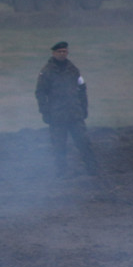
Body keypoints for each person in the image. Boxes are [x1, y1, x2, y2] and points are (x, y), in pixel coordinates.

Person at [35, 41, 98, 175]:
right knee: (59, 145)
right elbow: (40, 93)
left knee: (83, 142)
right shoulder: (46, 72)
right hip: (56, 116)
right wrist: (45, 112)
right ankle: (62, 172)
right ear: (54, 53)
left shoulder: (73, 69)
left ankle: (93, 170)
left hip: (74, 114)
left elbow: (82, 89)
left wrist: (83, 108)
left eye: (64, 51)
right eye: (59, 52)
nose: (62, 54)